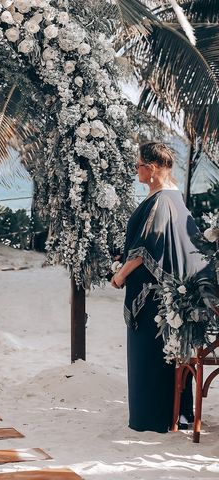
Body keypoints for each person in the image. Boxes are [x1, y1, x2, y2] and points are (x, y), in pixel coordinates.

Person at [111, 142, 210, 433]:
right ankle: (174, 414)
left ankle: (152, 417)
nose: (136, 170)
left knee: (149, 356)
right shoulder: (174, 198)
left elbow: (145, 248)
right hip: (168, 294)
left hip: (152, 297)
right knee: (164, 356)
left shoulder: (160, 201)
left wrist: (120, 275)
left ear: (152, 169)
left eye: (138, 165)